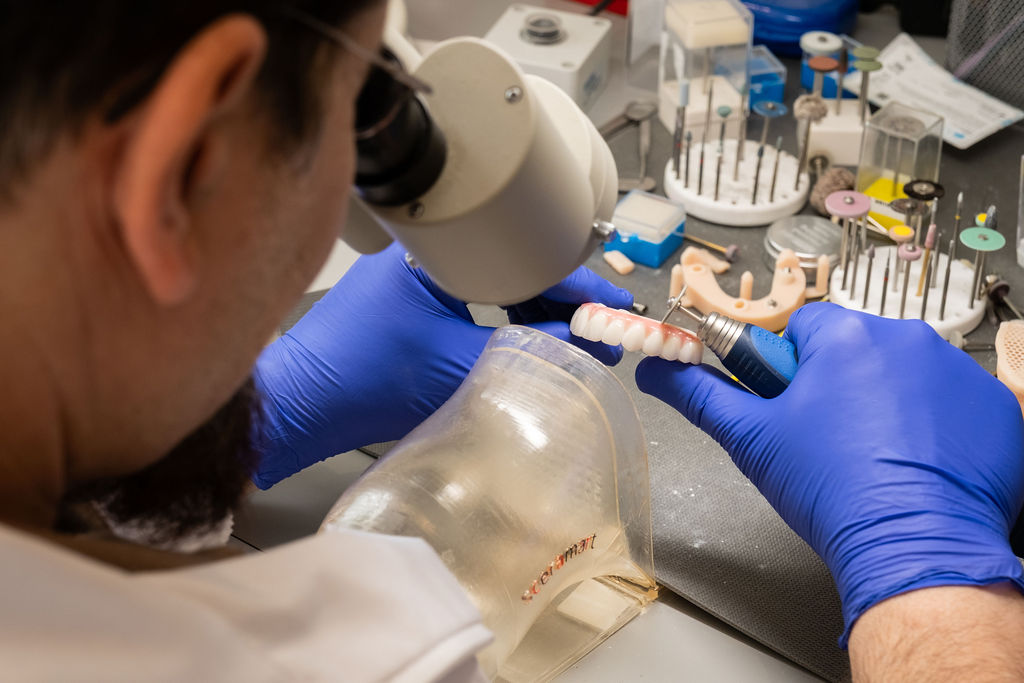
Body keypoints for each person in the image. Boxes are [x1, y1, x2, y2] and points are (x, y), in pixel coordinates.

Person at [0, 1, 1021, 681]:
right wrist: (926, 580)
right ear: (184, 169)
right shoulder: (343, 659)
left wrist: (170, 448)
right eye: (359, 108)